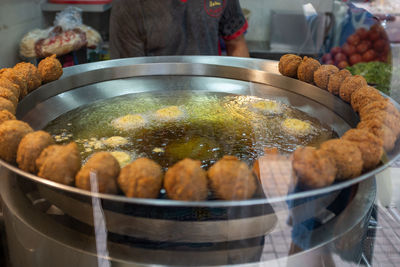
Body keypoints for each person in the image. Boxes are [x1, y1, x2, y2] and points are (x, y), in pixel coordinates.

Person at [109, 0, 249, 58]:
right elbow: (126, 75)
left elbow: (236, 43)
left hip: (210, 98)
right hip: (157, 104)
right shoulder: (129, 4)